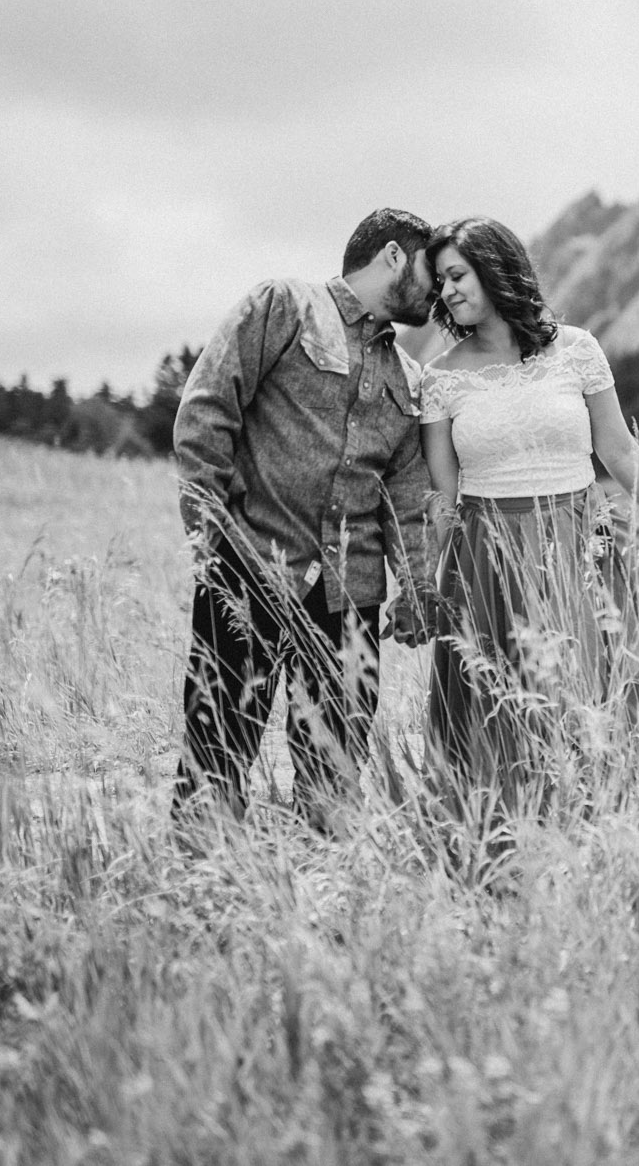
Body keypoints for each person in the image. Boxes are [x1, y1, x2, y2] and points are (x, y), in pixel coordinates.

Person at [418, 216, 639, 822]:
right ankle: (502, 853)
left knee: (584, 707)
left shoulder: (578, 350)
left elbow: (620, 453)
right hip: (486, 559)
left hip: (578, 547)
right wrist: (424, 584)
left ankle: (593, 838)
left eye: (457, 275)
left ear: (494, 268)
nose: (449, 291)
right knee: (499, 713)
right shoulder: (439, 380)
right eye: (440, 282)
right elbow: (444, 496)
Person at [171, 207, 439, 836]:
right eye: (432, 270)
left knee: (337, 775)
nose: (438, 293)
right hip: (250, 572)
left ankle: (325, 909)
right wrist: (211, 536)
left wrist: (420, 589)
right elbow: (206, 411)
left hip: (351, 603)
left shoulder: (412, 378)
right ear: (395, 256)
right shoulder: (284, 305)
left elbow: (407, 499)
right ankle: (205, 892)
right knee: (217, 753)